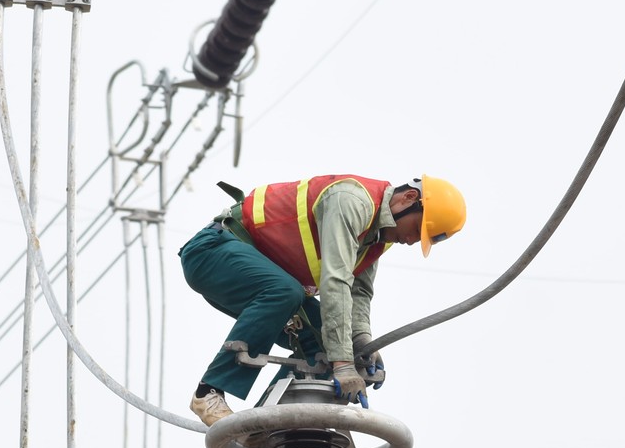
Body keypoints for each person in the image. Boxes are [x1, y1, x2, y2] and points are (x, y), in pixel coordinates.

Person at [179, 173, 467, 426]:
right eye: (418, 230)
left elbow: (360, 293)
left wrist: (360, 342)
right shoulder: (351, 201)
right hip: (213, 252)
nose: (412, 241)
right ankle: (209, 392)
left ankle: (266, 424)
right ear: (408, 198)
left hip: (264, 284)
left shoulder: (378, 238)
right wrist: (344, 365)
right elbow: (336, 281)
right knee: (289, 294)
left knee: (323, 344)